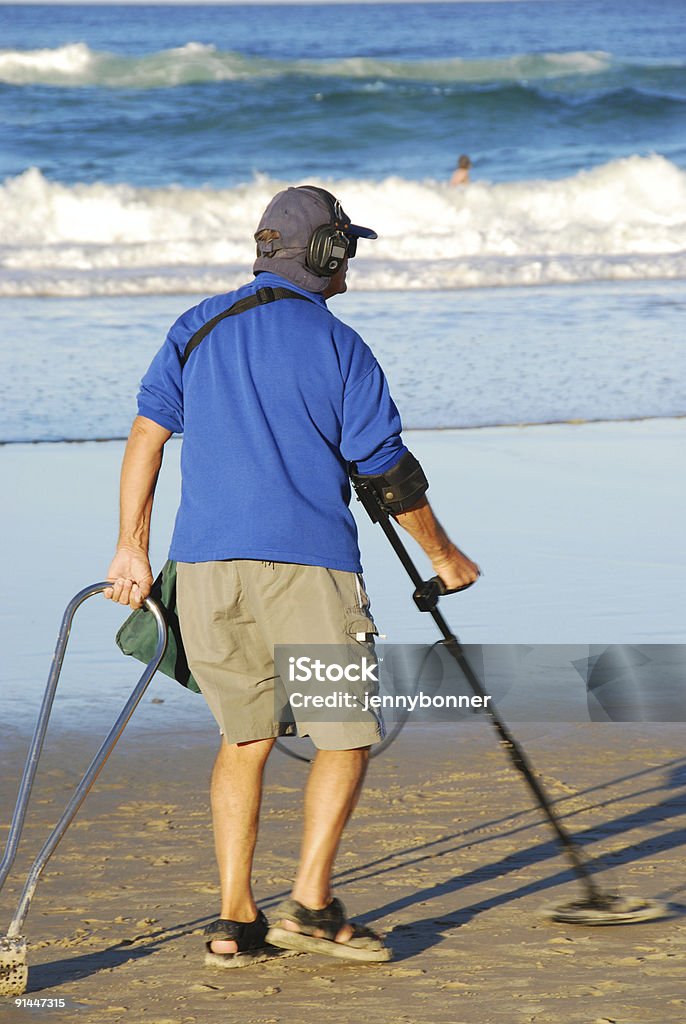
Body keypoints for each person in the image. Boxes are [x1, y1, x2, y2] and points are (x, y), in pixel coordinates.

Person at [104, 184, 480, 967]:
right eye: (345, 247)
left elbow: (147, 435)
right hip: (307, 570)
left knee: (244, 739)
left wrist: (130, 550)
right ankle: (309, 906)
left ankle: (234, 921)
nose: (351, 264)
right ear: (323, 252)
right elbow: (388, 473)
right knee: (343, 736)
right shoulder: (341, 346)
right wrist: (445, 557)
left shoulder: (195, 325)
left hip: (203, 571)